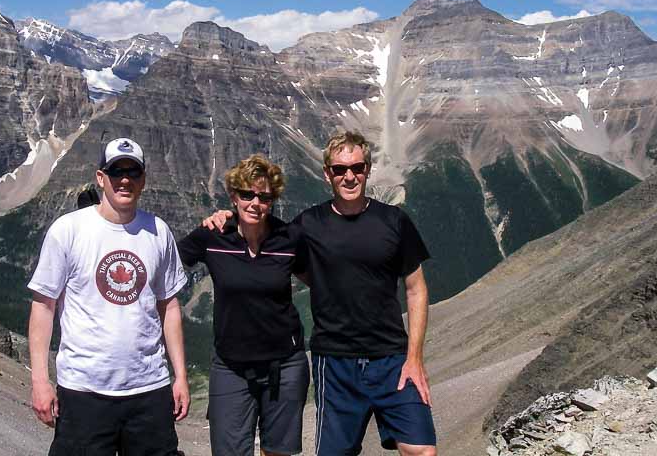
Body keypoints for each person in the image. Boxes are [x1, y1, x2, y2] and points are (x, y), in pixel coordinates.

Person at [205, 131, 437, 456]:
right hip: (335, 360)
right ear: (327, 173)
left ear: (367, 169)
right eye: (340, 169)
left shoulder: (394, 220)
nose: (349, 176)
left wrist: (414, 359)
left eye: (357, 167)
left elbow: (416, 290)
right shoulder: (308, 225)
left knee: (422, 450)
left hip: (393, 358)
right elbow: (264, 235)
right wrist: (227, 219)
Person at [28, 137, 189, 456]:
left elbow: (169, 305)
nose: (125, 180)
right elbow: (44, 307)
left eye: (133, 172)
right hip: (83, 390)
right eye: (117, 172)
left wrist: (180, 375)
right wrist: (40, 382)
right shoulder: (68, 230)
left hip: (149, 389)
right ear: (101, 177)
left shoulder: (159, 232)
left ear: (143, 179)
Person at [178, 154, 309, 456]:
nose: (255, 203)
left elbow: (320, 279)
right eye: (247, 194)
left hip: (285, 364)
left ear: (272, 200)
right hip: (231, 366)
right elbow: (164, 261)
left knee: (277, 452)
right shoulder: (212, 236)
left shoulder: (288, 239)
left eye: (264, 197)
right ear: (233, 196)